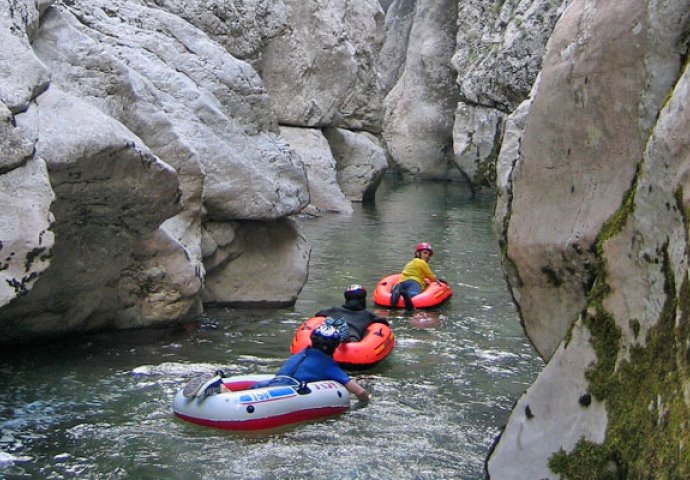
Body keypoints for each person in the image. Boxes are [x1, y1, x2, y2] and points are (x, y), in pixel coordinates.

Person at [190, 323, 370, 402]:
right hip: (286, 391)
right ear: (333, 346)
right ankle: (217, 390)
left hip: (273, 381)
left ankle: (219, 387)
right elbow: (358, 391)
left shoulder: (302, 353)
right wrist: (365, 401)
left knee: (247, 391)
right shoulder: (329, 366)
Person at [314, 284, 389, 343]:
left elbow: (318, 314)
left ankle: (338, 333)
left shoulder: (334, 310)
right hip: (353, 338)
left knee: (330, 329)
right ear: (363, 300)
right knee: (352, 338)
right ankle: (345, 336)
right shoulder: (368, 316)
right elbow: (384, 322)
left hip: (331, 337)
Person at [390, 242, 440, 311]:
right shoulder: (422, 263)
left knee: (398, 288)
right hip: (414, 282)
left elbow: (409, 274)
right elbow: (429, 275)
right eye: (425, 253)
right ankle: (405, 294)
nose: (427, 256)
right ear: (417, 253)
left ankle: (396, 291)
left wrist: (424, 282)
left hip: (402, 281)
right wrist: (436, 280)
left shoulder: (410, 263)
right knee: (412, 297)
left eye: (429, 254)